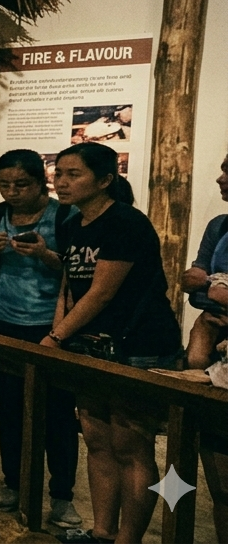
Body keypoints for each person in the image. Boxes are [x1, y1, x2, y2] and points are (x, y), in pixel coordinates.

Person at [40, 142, 181, 544]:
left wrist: (56, 337)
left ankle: (128, 538)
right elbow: (69, 288)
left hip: (139, 344)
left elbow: (102, 292)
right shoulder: (71, 224)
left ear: (104, 180)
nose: (61, 182)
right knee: (97, 439)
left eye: (73, 174)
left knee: (131, 442)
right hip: (90, 344)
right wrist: (59, 335)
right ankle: (101, 532)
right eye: (59, 173)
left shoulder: (126, 222)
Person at [0, 149, 81, 526]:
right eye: (4, 184)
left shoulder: (65, 215)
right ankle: (13, 486)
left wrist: (45, 254)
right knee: (11, 410)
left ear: (40, 182)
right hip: (4, 319)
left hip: (51, 324)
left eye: (21, 184)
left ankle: (63, 497)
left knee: (58, 414)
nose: (12, 192)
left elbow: (79, 270)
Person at [177, 153, 228, 542]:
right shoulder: (219, 225)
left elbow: (203, 284)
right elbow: (191, 285)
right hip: (210, 342)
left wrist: (210, 288)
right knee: (218, 463)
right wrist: (213, 291)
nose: (220, 178)